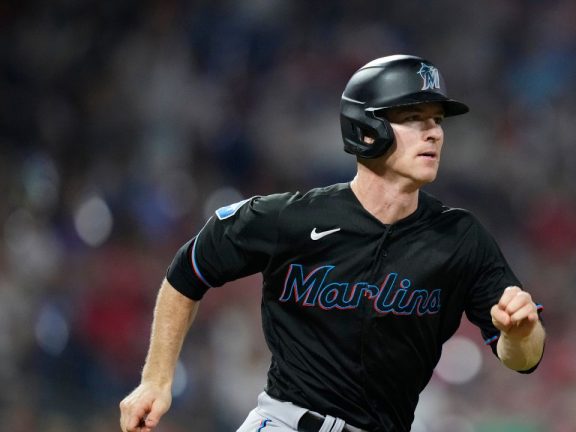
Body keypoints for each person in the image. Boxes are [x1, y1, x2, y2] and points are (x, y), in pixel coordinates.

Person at [119, 54, 546, 432]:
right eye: (415, 118)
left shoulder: (461, 238)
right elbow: (189, 270)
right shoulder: (292, 217)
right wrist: (156, 379)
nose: (433, 133)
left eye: (437, 120)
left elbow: (523, 359)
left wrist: (521, 332)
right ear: (367, 127)